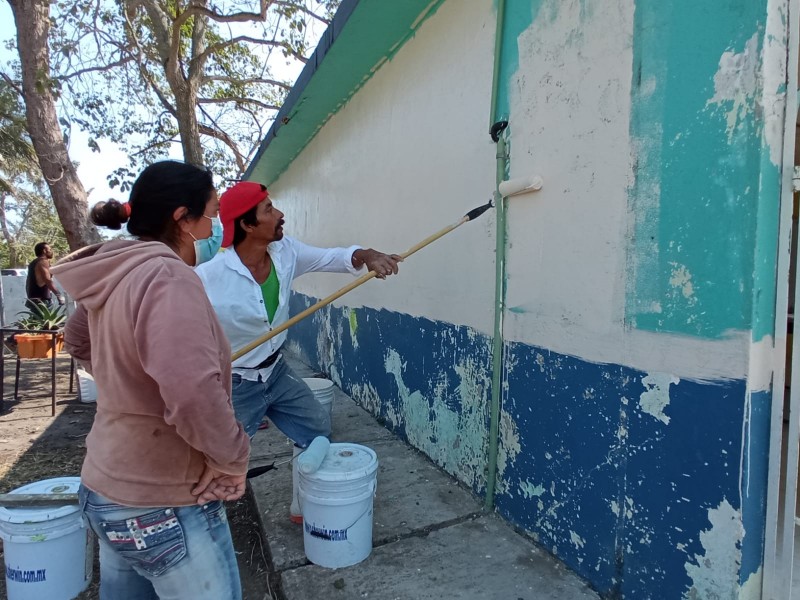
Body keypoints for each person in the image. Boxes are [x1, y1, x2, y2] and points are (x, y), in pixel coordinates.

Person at [52, 161, 250, 600]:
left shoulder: (116, 268)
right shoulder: (167, 276)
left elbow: (79, 341)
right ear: (182, 217)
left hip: (106, 485)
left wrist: (127, 383)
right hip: (162, 499)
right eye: (211, 214)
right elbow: (192, 389)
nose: (216, 226)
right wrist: (232, 458)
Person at [195, 181, 401, 523]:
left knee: (316, 430)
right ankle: (199, 523)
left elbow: (332, 257)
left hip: (276, 372)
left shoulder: (285, 251)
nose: (280, 215)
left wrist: (367, 256)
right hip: (236, 383)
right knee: (218, 462)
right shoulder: (207, 278)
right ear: (247, 225)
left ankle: (302, 505)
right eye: (268, 210)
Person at [25, 241, 64, 310]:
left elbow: (34, 280)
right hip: (42, 300)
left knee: (36, 320)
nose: (51, 251)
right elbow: (47, 280)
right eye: (50, 249)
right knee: (46, 320)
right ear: (44, 251)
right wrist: (59, 295)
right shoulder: (43, 261)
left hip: (33, 298)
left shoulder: (33, 263)